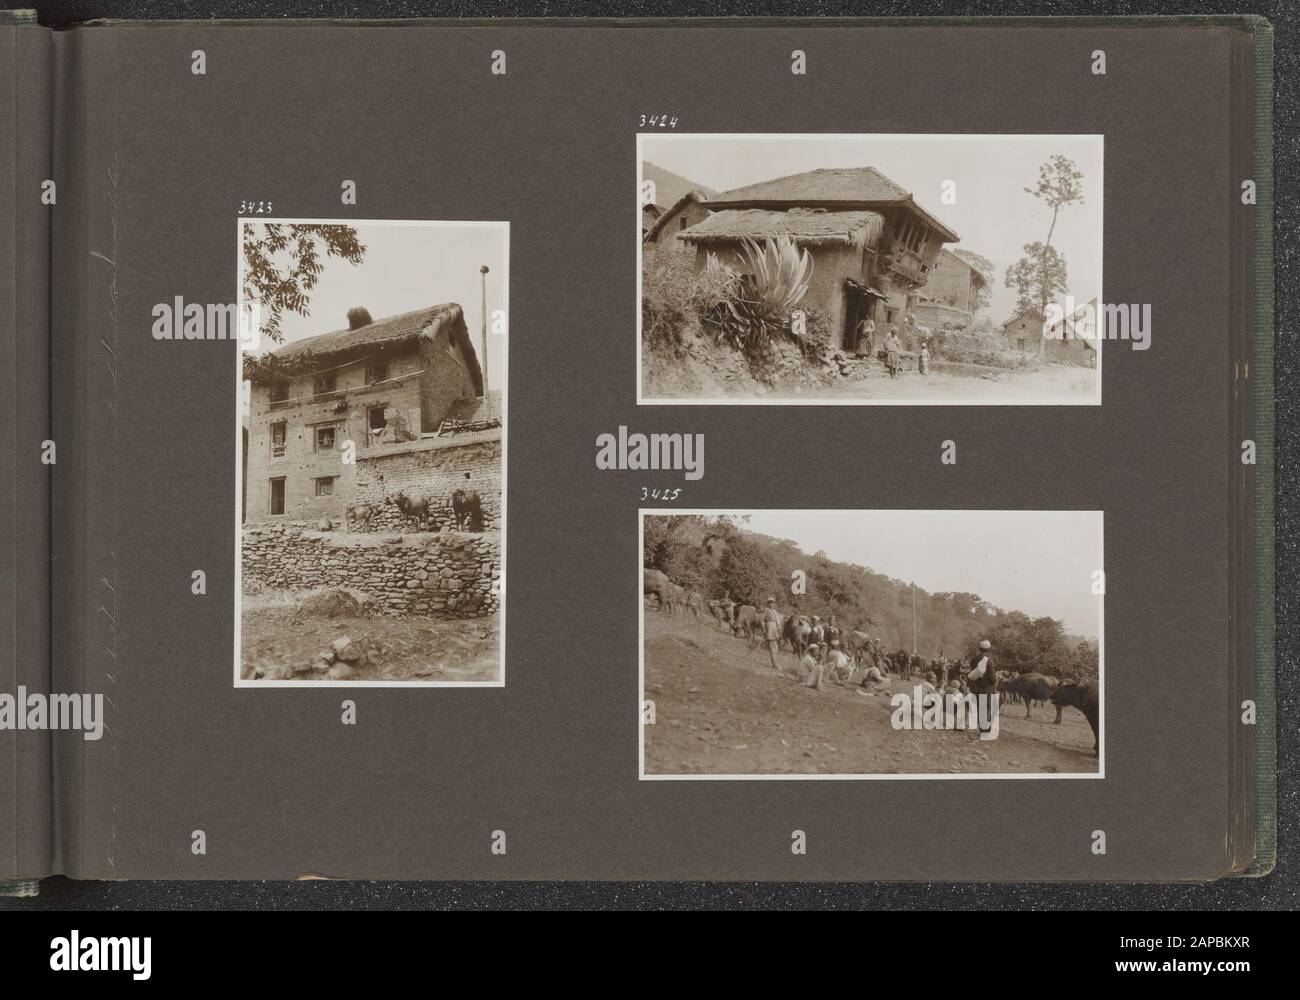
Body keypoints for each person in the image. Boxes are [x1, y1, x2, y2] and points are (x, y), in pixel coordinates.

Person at [967, 639, 997, 734]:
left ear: (980, 649)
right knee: (987, 707)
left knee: (979, 707)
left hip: (976, 687)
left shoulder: (973, 660)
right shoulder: (989, 660)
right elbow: (992, 678)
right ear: (989, 649)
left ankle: (982, 727)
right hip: (986, 688)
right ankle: (985, 729)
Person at [761, 597, 782, 673]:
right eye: (770, 603)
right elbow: (761, 621)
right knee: (772, 647)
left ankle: (775, 662)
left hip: (774, 628)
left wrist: (778, 630)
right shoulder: (766, 610)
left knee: (776, 647)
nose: (772, 604)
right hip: (769, 627)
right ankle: (775, 664)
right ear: (768, 603)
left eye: (773, 603)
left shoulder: (774, 611)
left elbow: (778, 622)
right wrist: (764, 630)